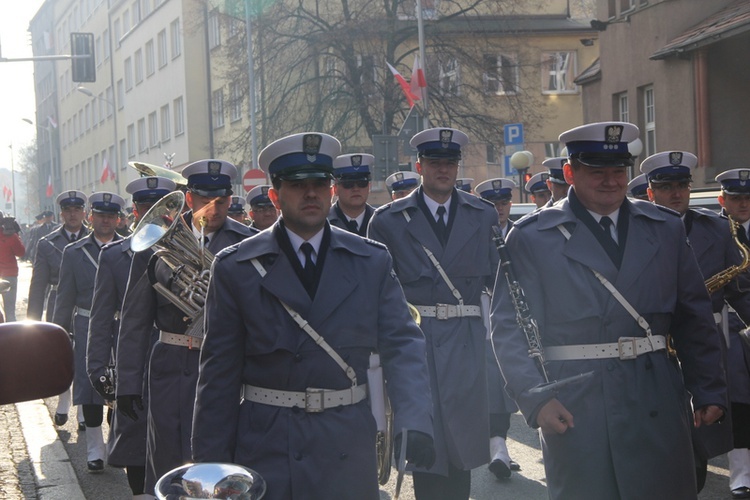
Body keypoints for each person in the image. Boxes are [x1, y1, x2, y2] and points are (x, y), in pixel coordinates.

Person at [192, 132, 434, 500]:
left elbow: (403, 345)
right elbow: (218, 376)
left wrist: (415, 420)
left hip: (345, 446)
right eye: (296, 184)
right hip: (267, 446)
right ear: (274, 195)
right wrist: (210, 467)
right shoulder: (237, 267)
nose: (310, 193)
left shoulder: (370, 260)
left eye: (320, 183)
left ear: (332, 190)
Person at [491, 122, 727, 499]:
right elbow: (507, 326)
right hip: (577, 401)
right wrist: (534, 399)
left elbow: (693, 316)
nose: (611, 181)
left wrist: (708, 387)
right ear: (570, 173)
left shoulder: (664, 228)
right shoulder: (534, 236)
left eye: (618, 171)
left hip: (656, 396)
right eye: (596, 171)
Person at [369, 127, 499, 500]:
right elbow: (378, 295)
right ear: (420, 166)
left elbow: (500, 284)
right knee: (424, 445)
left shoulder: (483, 215)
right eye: (436, 162)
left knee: (461, 448)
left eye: (450, 163)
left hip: (466, 343)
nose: (444, 169)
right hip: (415, 344)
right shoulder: (388, 220)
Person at [115, 159, 255, 495]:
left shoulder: (250, 243)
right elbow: (134, 320)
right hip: (172, 367)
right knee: (169, 462)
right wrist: (128, 383)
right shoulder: (153, 244)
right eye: (206, 201)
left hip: (228, 370)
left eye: (222, 201)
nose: (215, 209)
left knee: (224, 464)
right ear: (188, 199)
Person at [643, 151, 750, 492]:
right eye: (666, 187)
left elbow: (740, 291)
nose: (676, 193)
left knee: (700, 441)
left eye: (682, 186)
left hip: (705, 345)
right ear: (650, 193)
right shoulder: (638, 230)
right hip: (653, 346)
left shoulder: (717, 230)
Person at [86, 177, 175, 498]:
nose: (152, 213)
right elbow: (99, 317)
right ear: (134, 212)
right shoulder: (113, 255)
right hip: (133, 360)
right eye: (144, 206)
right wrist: (97, 367)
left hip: (180, 358)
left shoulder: (193, 248)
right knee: (136, 440)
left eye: (160, 206)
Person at [53, 191, 126, 473]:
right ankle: (95, 448)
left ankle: (116, 441)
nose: (105, 221)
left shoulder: (131, 248)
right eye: (100, 216)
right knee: (90, 387)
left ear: (119, 219)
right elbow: (64, 298)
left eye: (111, 216)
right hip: (87, 326)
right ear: (91, 217)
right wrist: (59, 335)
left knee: (122, 385)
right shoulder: (74, 252)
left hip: (122, 326)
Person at [28, 191, 90, 429]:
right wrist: (32, 322)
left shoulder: (95, 238)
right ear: (61, 213)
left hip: (87, 303)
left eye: (77, 210)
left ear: (84, 213)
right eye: (68, 210)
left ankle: (84, 409)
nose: (73, 215)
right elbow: (38, 284)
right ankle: (64, 401)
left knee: (84, 356)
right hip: (57, 301)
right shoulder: (47, 244)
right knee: (61, 355)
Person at [473, 177, 521, 479]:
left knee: (510, 374)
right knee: (491, 373)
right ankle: (497, 443)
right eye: (492, 204)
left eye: (503, 203)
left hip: (517, 312)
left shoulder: (522, 232)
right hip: (484, 308)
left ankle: (498, 442)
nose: (499, 209)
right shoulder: (475, 234)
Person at [715, 168, 750, 500]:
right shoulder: (715, 231)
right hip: (732, 327)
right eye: (736, 198)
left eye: (748, 197)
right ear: (722, 200)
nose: (743, 203)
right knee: (739, 401)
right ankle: (740, 473)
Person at [328, 153, 375, 236]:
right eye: (348, 184)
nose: (356, 189)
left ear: (369, 187)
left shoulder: (381, 221)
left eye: (361, 183)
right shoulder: (323, 222)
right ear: (335, 190)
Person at [0, 212, 25, 322]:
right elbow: (21, 252)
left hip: (8, 274)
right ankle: (10, 337)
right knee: (10, 311)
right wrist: (17, 236)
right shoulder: (10, 235)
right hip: (9, 275)